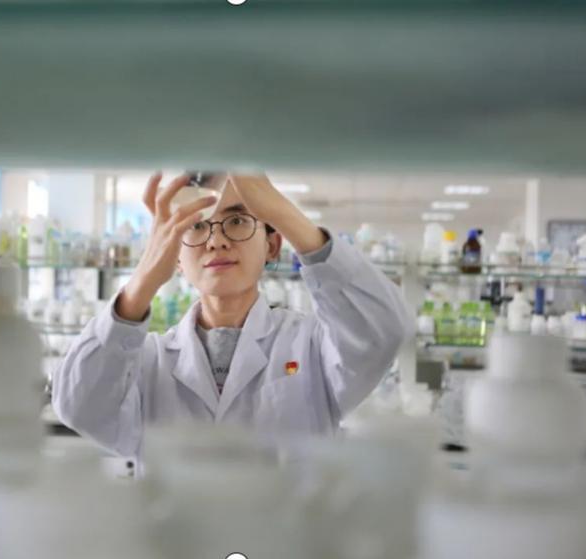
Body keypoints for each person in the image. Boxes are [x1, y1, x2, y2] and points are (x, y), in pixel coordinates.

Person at [52, 173, 414, 456]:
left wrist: (280, 209)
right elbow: (78, 405)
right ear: (175, 256)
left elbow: (383, 330)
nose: (216, 241)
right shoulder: (149, 362)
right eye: (196, 225)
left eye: (238, 220)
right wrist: (142, 281)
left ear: (272, 244)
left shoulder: (312, 348)